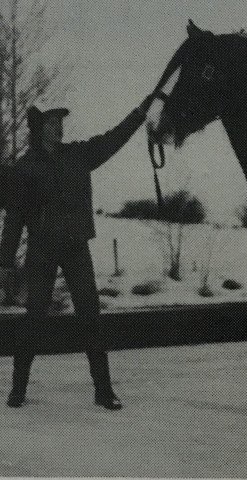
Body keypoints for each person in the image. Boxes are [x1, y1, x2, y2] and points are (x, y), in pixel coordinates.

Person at [0, 95, 154, 409]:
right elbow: (14, 219)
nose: (58, 128)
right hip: (41, 251)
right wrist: (5, 263)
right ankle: (18, 388)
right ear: (38, 127)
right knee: (34, 317)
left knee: (90, 315)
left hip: (75, 247)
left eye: (60, 122)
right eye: (51, 122)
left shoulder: (77, 155)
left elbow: (112, 140)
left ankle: (103, 390)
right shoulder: (25, 168)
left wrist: (138, 115)